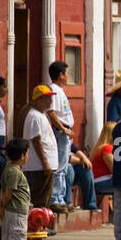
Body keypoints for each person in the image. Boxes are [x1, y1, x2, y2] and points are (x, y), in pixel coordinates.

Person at [21, 85, 58, 212]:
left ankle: (42, 223)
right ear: (36, 100)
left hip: (43, 165)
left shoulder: (42, 115)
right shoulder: (34, 116)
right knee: (39, 198)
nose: (49, 101)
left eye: (49, 98)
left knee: (45, 196)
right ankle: (38, 223)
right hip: (38, 166)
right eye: (44, 98)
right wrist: (45, 163)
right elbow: (36, 142)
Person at [46, 60, 75, 211]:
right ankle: (56, 198)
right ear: (60, 75)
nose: (68, 76)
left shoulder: (60, 91)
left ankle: (61, 197)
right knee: (59, 165)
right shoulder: (54, 90)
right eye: (66, 73)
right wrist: (63, 129)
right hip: (60, 132)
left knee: (64, 166)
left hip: (65, 131)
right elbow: (52, 113)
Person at [65, 138, 98, 212]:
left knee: (86, 169)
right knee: (69, 169)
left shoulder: (66, 134)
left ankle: (90, 205)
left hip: (72, 174)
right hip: (59, 174)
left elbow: (74, 148)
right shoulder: (55, 134)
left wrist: (84, 158)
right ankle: (67, 204)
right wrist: (81, 160)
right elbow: (64, 158)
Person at [90, 122, 115, 205]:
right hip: (100, 182)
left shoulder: (99, 147)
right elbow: (114, 170)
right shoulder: (107, 148)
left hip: (97, 180)